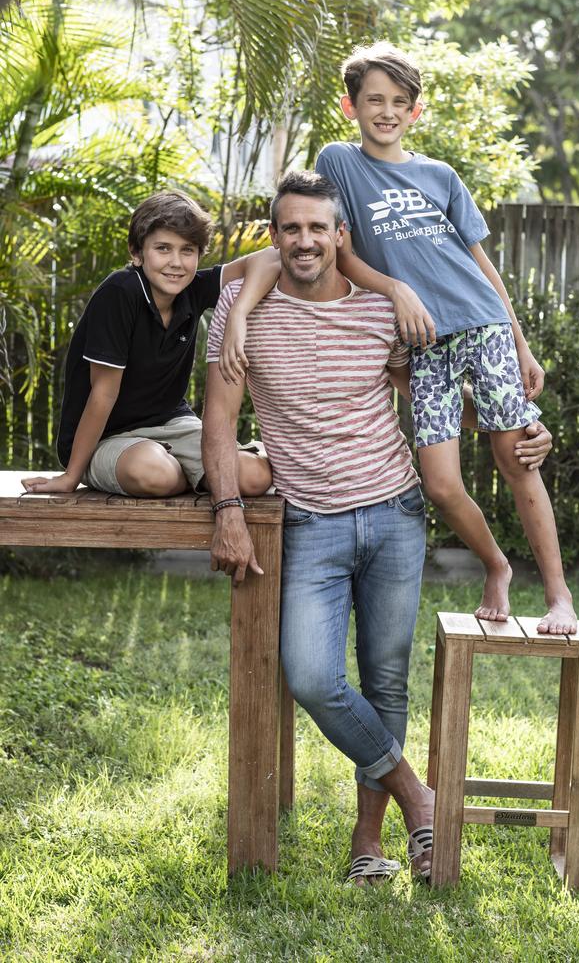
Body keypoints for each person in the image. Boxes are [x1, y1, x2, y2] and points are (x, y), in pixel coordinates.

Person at [202, 171, 553, 885]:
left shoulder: (381, 311)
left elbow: (433, 410)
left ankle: (372, 844)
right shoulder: (243, 310)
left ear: (341, 236)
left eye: (317, 228)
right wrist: (228, 512)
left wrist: (519, 424)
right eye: (290, 228)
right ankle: (421, 799)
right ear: (276, 237)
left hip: (395, 514)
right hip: (311, 525)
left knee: (386, 682)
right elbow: (217, 422)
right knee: (312, 675)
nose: (304, 241)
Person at [312, 43, 576, 635]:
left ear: (415, 112)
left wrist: (521, 343)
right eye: (374, 100)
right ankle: (496, 565)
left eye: (399, 102)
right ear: (350, 106)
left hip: (483, 325)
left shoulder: (440, 175)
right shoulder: (340, 163)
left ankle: (559, 595)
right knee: (440, 483)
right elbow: (343, 254)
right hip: (424, 343)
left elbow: (481, 265)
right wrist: (397, 290)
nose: (386, 112)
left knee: (516, 457)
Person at [21, 191, 275, 498]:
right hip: (108, 437)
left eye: (188, 250)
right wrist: (71, 476)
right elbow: (103, 393)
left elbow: (271, 257)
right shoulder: (119, 293)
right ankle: (193, 473)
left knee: (254, 478)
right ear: (137, 252)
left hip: (172, 425)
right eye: (163, 249)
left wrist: (238, 312)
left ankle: (192, 470)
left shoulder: (193, 290)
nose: (177, 263)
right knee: (156, 474)